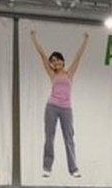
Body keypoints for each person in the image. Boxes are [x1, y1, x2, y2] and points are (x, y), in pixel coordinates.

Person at [31, 31, 89, 178]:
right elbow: (43, 55)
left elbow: (78, 56)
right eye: (53, 61)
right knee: (49, 137)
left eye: (58, 60)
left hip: (66, 109)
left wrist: (85, 41)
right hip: (52, 107)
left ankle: (73, 169)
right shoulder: (52, 74)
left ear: (63, 61)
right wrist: (34, 39)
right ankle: (47, 167)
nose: (55, 63)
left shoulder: (69, 74)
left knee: (69, 138)